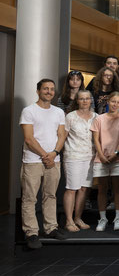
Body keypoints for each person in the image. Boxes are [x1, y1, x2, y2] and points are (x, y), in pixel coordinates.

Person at [20, 79, 67, 249]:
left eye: (52, 89)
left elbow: (62, 135)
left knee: (50, 195)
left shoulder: (58, 112)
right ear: (38, 91)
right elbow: (29, 138)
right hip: (33, 161)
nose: (49, 91)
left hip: (54, 160)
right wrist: (44, 155)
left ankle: (50, 228)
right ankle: (31, 232)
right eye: (45, 89)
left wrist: (54, 153)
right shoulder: (28, 111)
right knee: (30, 197)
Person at [91, 91, 119, 231]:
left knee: (118, 189)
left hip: (118, 157)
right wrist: (101, 155)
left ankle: (118, 217)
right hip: (101, 157)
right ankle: (102, 218)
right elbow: (95, 138)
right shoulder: (99, 119)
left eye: (118, 102)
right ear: (108, 102)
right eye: (113, 101)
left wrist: (116, 153)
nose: (115, 104)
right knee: (102, 189)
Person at [63, 90, 97, 232]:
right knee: (72, 188)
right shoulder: (70, 116)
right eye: (81, 99)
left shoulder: (97, 117)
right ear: (77, 100)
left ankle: (78, 218)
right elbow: (62, 136)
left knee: (84, 189)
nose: (84, 101)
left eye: (87, 98)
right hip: (73, 156)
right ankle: (69, 220)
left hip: (90, 157)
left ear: (91, 100)